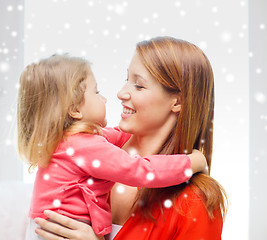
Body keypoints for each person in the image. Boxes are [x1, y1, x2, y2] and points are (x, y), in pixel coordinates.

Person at [33, 36, 228, 240]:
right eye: (127, 79)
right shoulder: (90, 167)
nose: (120, 93)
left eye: (139, 85)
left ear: (177, 102)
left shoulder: (194, 202)